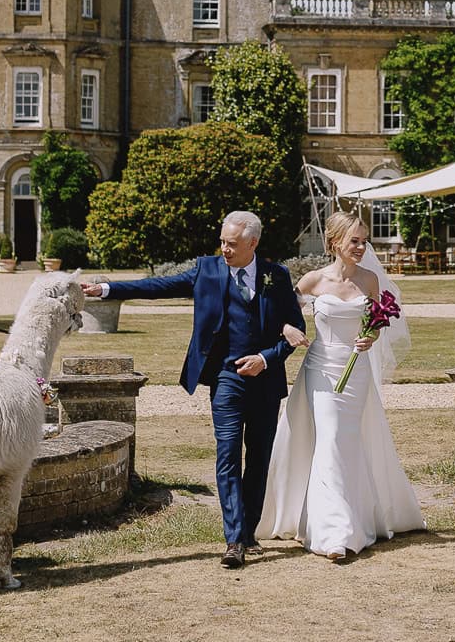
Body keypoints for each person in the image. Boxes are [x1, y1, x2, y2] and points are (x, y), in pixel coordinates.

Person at [83, 211, 305, 569]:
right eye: (222, 241)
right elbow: (157, 287)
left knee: (260, 457)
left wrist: (266, 358)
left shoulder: (275, 276)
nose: (224, 249)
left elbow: (295, 329)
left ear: (253, 243)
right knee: (228, 455)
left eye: (232, 244)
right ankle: (234, 541)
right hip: (225, 379)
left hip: (266, 380)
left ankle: (248, 530)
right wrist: (107, 289)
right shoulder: (208, 270)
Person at [259, 211, 426, 561]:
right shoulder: (312, 281)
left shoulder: (369, 281)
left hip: (357, 371)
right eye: (355, 241)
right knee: (331, 438)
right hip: (321, 368)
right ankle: (333, 532)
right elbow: (274, 310)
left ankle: (357, 517)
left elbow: (376, 323)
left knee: (348, 441)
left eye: (365, 241)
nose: (361, 247)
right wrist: (288, 329)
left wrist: (370, 337)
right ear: (335, 242)